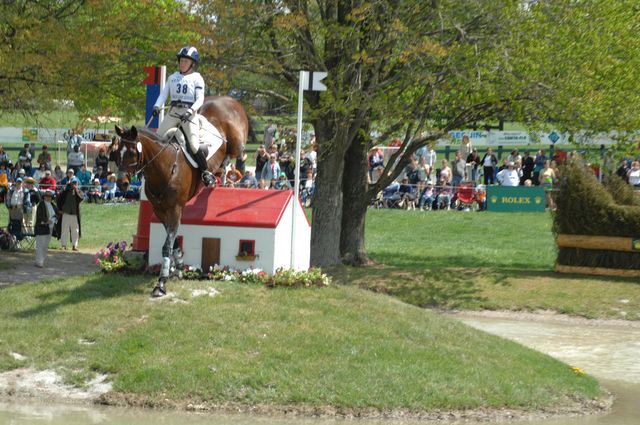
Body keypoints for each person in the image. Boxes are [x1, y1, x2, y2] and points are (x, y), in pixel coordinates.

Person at [152, 46, 213, 186]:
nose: (182, 63)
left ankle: (205, 172)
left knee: (194, 145)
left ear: (192, 64)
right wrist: (157, 106)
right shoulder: (172, 77)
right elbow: (163, 94)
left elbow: (200, 99)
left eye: (186, 61)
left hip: (189, 114)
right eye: (181, 60)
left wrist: (190, 111)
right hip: (173, 112)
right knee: (157, 140)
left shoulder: (197, 78)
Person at [55, 177, 83, 251]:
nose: (74, 184)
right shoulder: (65, 191)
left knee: (75, 231)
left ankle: (75, 246)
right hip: (66, 213)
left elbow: (81, 199)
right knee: (64, 230)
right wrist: (59, 210)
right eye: (72, 183)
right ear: (70, 183)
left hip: (75, 214)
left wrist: (76, 190)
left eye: (75, 183)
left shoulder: (79, 191)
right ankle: (63, 245)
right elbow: (58, 199)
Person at [34, 190, 58, 268]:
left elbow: (56, 214)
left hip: (49, 229)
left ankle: (42, 260)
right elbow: (39, 216)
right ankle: (39, 262)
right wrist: (46, 221)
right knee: (40, 245)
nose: (48, 198)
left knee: (45, 246)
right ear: (44, 197)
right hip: (41, 228)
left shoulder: (53, 205)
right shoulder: (41, 205)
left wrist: (55, 219)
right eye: (46, 196)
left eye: (49, 196)